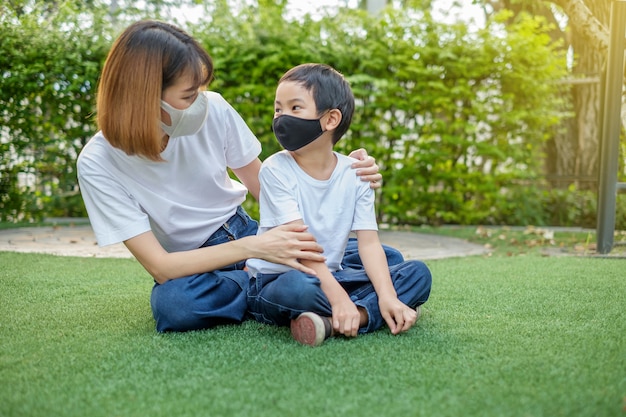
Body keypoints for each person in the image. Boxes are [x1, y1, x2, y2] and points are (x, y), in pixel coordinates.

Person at [76, 20, 394, 333]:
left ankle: (276, 291)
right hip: (194, 263)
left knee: (387, 257)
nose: (201, 102)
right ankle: (269, 292)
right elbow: (160, 267)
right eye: (189, 96)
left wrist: (340, 174)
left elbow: (263, 186)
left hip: (245, 230)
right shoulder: (97, 163)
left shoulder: (214, 109)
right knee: (174, 306)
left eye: (201, 90)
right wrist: (254, 250)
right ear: (145, 98)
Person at [246, 63, 432, 346]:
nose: (282, 118)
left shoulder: (357, 173)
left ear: (331, 119)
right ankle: (364, 312)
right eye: (278, 109)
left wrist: (388, 295)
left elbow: (368, 243)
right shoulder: (275, 169)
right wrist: (338, 296)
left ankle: (338, 321)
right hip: (277, 279)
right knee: (298, 289)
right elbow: (300, 246)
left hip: (331, 275)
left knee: (418, 273)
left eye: (295, 108)